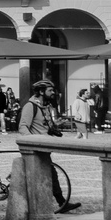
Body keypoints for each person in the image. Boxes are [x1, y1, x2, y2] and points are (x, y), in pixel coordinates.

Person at [22, 80, 81, 212]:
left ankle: (61, 203)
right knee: (46, 175)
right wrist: (30, 143)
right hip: (35, 148)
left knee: (50, 175)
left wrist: (54, 127)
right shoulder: (30, 106)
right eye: (50, 90)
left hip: (44, 147)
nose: (53, 92)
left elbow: (44, 125)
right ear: (41, 92)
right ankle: (58, 203)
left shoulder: (46, 106)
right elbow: (23, 127)